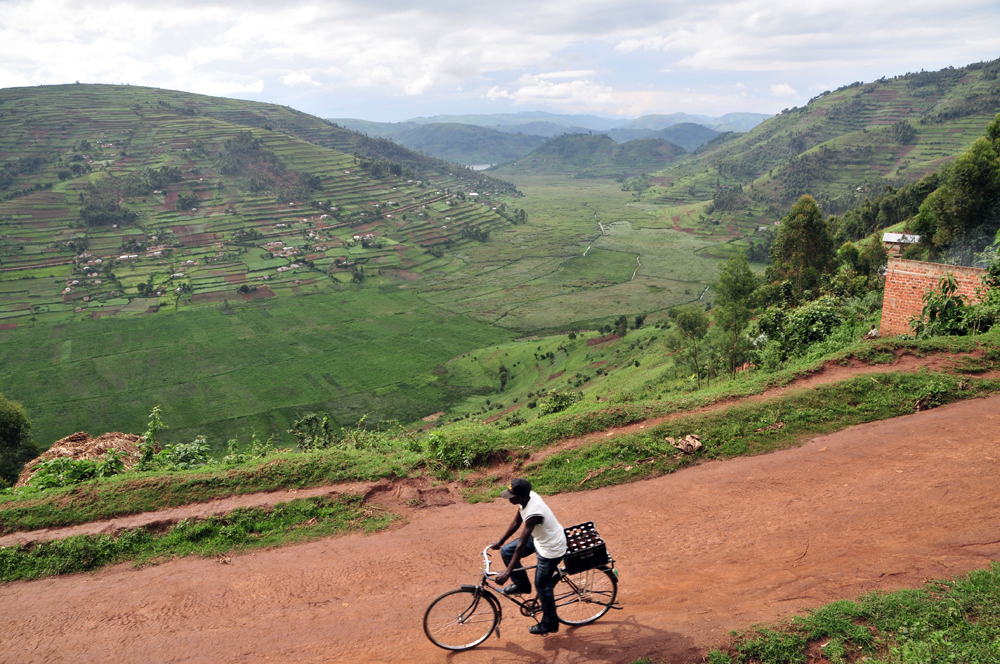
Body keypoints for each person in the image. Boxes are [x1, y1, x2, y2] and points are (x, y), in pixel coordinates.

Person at [490, 478, 568, 636]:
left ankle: (550, 623)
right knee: (506, 551)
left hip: (551, 548)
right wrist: (501, 541)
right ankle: (522, 585)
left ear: (522, 496)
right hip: (540, 539)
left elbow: (521, 546)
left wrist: (507, 573)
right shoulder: (527, 498)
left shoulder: (534, 513)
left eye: (512, 496)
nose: (509, 499)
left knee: (542, 585)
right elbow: (515, 522)